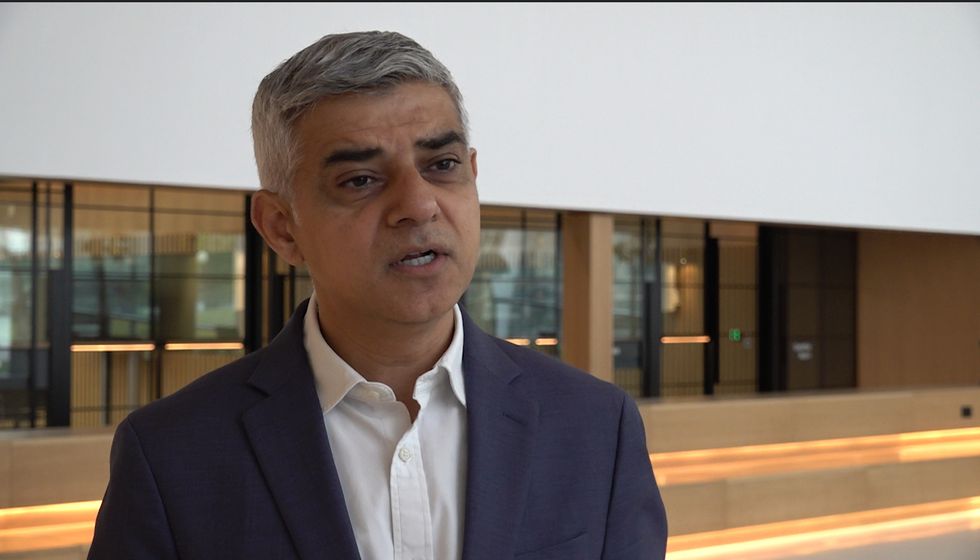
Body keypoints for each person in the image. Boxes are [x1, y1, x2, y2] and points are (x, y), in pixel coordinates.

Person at [88, 31, 667, 560]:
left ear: (472, 175)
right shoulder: (172, 454)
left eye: (441, 165)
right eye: (360, 180)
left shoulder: (596, 428)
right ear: (282, 227)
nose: (418, 204)